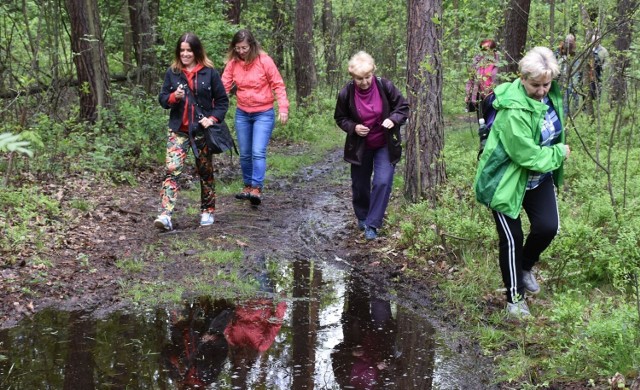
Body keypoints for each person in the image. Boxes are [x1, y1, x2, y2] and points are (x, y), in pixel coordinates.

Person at [474, 47, 571, 319]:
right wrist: (558, 153)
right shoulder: (513, 110)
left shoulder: (550, 95)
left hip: (538, 179)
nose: (541, 90)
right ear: (522, 78)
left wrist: (552, 153)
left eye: (546, 84)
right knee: (512, 239)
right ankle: (515, 300)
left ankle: (525, 268)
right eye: (535, 85)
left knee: (548, 227)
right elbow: (526, 156)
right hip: (505, 181)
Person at [155, 33, 229, 231]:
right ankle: (165, 215)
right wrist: (173, 96)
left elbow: (222, 102)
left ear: (196, 51)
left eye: (189, 50)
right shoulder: (173, 72)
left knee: (205, 172)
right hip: (178, 130)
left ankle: (207, 210)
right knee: (172, 170)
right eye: (182, 50)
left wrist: (211, 119)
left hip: (201, 132)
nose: (185, 54)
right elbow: (162, 100)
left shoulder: (209, 72)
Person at [334, 51, 409, 240]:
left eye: (368, 77)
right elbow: (340, 118)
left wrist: (393, 119)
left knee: (382, 181)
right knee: (360, 184)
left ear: (373, 72)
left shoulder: (385, 86)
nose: (365, 82)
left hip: (385, 143)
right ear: (352, 76)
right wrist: (354, 127)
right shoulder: (346, 93)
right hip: (360, 145)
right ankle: (362, 215)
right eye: (360, 79)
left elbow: (403, 107)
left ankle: (373, 224)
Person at [221, 29, 289, 206]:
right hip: (242, 113)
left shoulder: (264, 61)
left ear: (251, 45)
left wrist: (283, 108)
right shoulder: (233, 64)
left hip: (263, 113)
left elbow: (278, 85)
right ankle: (247, 186)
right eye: (238, 48)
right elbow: (224, 87)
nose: (241, 51)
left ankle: (257, 189)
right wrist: (214, 108)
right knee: (245, 153)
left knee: (257, 151)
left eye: (244, 47)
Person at [465, 39, 500, 119]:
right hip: (480, 96)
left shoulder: (499, 63)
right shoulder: (477, 62)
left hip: (495, 96)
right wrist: (468, 94)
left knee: (493, 121)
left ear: (493, 49)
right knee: (482, 122)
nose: (486, 52)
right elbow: (471, 79)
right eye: (483, 49)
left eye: (488, 49)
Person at [557, 34, 579, 117]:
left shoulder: (575, 51)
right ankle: (564, 116)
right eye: (567, 41)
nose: (569, 43)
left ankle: (574, 113)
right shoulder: (561, 49)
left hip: (572, 75)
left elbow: (577, 65)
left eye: (571, 41)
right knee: (564, 99)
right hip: (563, 77)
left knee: (575, 97)